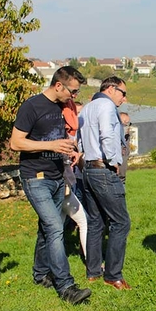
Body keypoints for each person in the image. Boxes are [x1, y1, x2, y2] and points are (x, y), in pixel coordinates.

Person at [10, 66, 91, 305]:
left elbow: (60, 139)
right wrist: (52, 146)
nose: (74, 96)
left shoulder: (62, 108)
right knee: (55, 228)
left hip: (58, 177)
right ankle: (66, 287)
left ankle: (40, 273)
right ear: (58, 85)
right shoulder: (32, 107)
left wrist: (72, 152)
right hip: (36, 177)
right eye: (73, 91)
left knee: (47, 229)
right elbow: (15, 143)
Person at [79, 76, 132, 290]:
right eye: (122, 92)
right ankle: (113, 275)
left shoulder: (86, 108)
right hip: (103, 169)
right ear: (111, 89)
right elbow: (107, 137)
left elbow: (80, 139)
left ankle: (93, 272)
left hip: (88, 169)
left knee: (95, 222)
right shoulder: (107, 107)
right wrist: (114, 161)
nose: (124, 98)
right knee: (121, 222)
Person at [61, 98, 87, 258]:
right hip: (65, 183)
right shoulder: (64, 137)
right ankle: (92, 262)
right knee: (84, 222)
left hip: (66, 181)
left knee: (56, 227)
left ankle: (50, 265)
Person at [118, 111, 131, 184]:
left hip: (122, 175)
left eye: (128, 123)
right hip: (115, 174)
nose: (126, 126)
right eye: (124, 123)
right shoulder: (114, 136)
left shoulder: (127, 137)